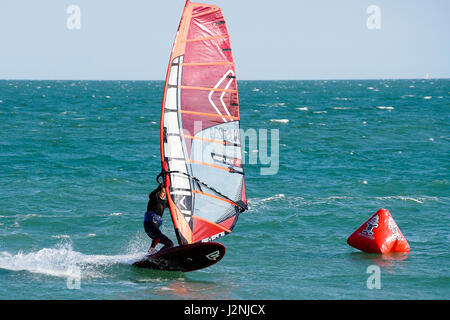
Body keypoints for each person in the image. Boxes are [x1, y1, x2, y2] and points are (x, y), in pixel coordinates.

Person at [144, 183, 174, 255]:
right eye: (163, 192)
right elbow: (150, 195)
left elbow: (174, 205)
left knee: (170, 243)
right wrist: (158, 188)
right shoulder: (154, 198)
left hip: (155, 229)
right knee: (158, 235)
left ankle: (158, 255)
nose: (164, 194)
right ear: (159, 191)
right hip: (149, 225)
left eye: (165, 193)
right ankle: (151, 250)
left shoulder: (165, 202)